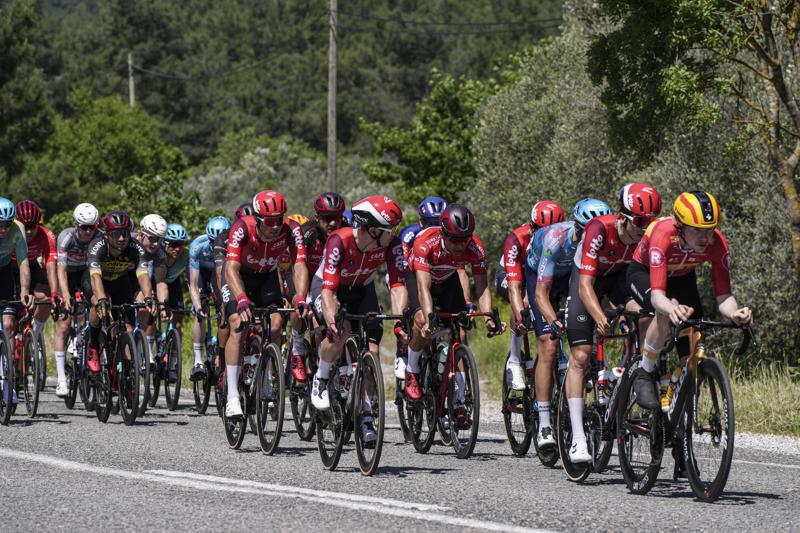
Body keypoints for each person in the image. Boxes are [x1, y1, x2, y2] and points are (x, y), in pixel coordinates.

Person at [627, 191, 752, 412]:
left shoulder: (717, 243)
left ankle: (680, 411)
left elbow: (724, 296)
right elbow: (657, 296)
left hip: (682, 277)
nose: (705, 238)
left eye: (709, 230)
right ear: (680, 226)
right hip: (644, 273)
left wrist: (734, 313)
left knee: (692, 346)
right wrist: (671, 307)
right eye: (697, 231)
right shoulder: (663, 234)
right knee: (665, 311)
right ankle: (645, 372)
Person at [564, 182, 662, 462]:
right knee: (581, 356)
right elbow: (585, 285)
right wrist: (599, 317)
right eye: (640, 222)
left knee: (647, 314)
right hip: (588, 282)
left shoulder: (647, 237)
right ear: (622, 218)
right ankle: (578, 439)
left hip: (619, 280)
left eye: (650, 221)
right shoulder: (599, 230)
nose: (645, 228)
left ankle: (634, 370)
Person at [310, 195, 408, 444]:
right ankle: (321, 377)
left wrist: (399, 323)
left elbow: (397, 286)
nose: (394, 234)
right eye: (390, 228)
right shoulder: (339, 240)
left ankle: (365, 415)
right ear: (373, 229)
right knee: (340, 331)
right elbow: (328, 292)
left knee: (372, 349)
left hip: (362, 289)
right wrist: (331, 321)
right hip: (328, 288)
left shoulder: (392, 245)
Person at [404, 204, 506, 429]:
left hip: (447, 280)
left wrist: (488, 317)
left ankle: (458, 402)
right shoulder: (425, 243)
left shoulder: (475, 247)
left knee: (459, 332)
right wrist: (430, 318)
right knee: (422, 321)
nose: (460, 245)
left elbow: (482, 286)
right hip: (420, 278)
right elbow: (423, 288)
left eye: (464, 239)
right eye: (454, 240)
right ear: (443, 234)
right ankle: (412, 370)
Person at [523, 198, 611, 448]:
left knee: (580, 350)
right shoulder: (555, 240)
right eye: (585, 232)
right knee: (548, 345)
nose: (590, 238)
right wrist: (553, 321)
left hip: (571, 277)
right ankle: (544, 423)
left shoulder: (598, 243)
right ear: (577, 227)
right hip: (541, 276)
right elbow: (541, 295)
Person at [221, 191, 309, 419]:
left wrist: (300, 296)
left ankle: (267, 375)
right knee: (237, 324)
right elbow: (231, 268)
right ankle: (232, 396)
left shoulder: (291, 230)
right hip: (238, 276)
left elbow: (299, 265)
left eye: (279, 219)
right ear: (258, 219)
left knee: (276, 324)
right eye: (270, 221)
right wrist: (241, 298)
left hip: (266, 276)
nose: (275, 226)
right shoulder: (242, 227)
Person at [499, 200, 565, 394]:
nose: (548, 236)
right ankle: (514, 360)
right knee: (522, 301)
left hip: (538, 274)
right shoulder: (516, 239)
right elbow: (514, 287)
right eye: (542, 231)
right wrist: (521, 316)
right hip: (512, 274)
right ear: (532, 227)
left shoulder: (563, 239)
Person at [84, 211, 156, 373]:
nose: (122, 238)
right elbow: (95, 276)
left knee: (128, 328)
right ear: (107, 234)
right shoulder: (97, 246)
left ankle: (124, 369)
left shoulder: (135, 248)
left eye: (125, 233)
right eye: (116, 234)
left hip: (120, 281)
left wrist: (148, 298)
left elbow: (143, 276)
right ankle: (93, 346)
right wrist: (102, 299)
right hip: (97, 281)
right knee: (98, 304)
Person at [54, 203, 101, 397]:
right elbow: (61, 269)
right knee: (64, 324)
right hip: (68, 274)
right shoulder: (66, 237)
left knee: (95, 302)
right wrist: (65, 294)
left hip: (85, 273)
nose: (89, 231)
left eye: (92, 227)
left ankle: (84, 336)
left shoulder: (99, 236)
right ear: (76, 225)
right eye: (84, 227)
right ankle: (61, 379)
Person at [13, 201, 58, 363]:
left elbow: (51, 267)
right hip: (11, 269)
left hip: (32, 267)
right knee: (13, 310)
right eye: (25, 226)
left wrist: (54, 293)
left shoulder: (47, 235)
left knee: (45, 299)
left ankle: (35, 334)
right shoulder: (10, 234)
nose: (29, 231)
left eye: (33, 226)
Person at [188, 215, 230, 380]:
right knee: (200, 312)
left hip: (220, 273)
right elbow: (193, 283)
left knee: (224, 309)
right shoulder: (197, 246)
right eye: (212, 241)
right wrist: (198, 306)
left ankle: (221, 353)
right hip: (202, 274)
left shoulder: (233, 245)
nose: (215, 245)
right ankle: (198, 360)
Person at [0, 199, 31, 380]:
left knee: (9, 324)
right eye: (0, 224)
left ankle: (8, 378)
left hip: (4, 271)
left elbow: (23, 263)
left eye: (7, 224)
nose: (4, 229)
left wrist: (24, 291)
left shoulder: (18, 228)